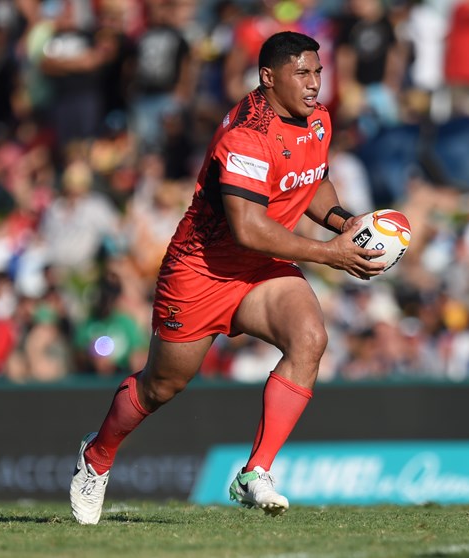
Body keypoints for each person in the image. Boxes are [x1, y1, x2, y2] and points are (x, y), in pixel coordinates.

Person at [69, 30, 386, 524]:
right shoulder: (246, 134)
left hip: (259, 269)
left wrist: (343, 221)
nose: (314, 83)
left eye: (318, 72)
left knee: (310, 337)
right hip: (202, 270)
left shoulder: (317, 120)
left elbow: (311, 178)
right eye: (302, 73)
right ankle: (97, 456)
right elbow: (248, 228)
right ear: (268, 77)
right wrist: (330, 254)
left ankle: (255, 472)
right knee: (161, 387)